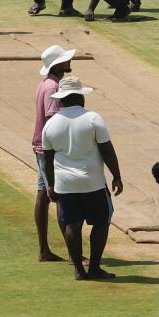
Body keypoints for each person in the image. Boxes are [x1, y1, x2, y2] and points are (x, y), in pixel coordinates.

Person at [41, 76, 124, 280]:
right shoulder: (93, 118)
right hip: (92, 182)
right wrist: (117, 176)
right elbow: (107, 151)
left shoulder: (50, 125)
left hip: (65, 185)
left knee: (72, 224)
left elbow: (47, 161)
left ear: (61, 99)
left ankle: (78, 270)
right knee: (101, 223)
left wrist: (50, 185)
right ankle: (94, 267)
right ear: (79, 96)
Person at [31, 44, 75, 262]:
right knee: (59, 196)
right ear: (58, 64)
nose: (69, 62)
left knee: (43, 195)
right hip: (49, 150)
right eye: (66, 60)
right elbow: (51, 120)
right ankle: (72, 252)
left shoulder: (46, 83)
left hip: (41, 147)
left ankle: (44, 250)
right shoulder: (52, 88)